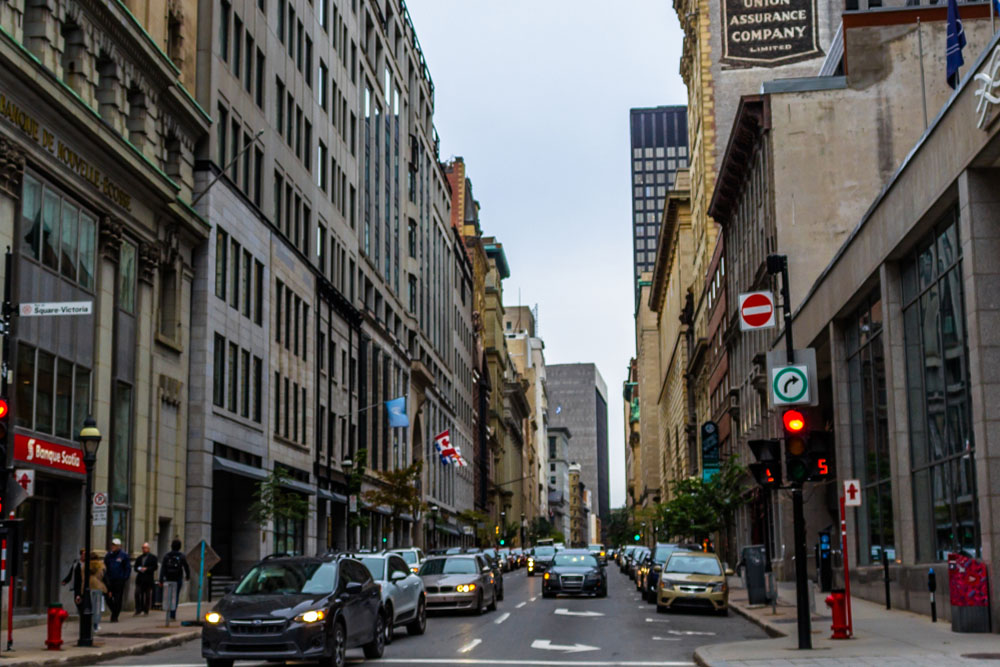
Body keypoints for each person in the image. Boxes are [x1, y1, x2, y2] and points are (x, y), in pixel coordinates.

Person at [159, 539, 190, 620]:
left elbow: (163, 568)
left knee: (167, 596)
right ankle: (173, 613)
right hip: (178, 578)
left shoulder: (167, 556)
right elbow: (186, 567)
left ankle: (168, 612)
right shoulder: (181, 556)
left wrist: (161, 580)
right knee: (175, 596)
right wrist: (188, 576)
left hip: (168, 578)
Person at [103, 538, 131, 622]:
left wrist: (124, 578)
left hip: (119, 580)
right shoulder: (108, 555)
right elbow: (105, 567)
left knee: (118, 598)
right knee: (107, 597)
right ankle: (114, 611)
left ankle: (115, 616)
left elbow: (127, 568)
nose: (113, 547)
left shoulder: (123, 555)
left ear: (119, 546)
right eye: (112, 545)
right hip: (109, 580)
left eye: (114, 545)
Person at [133, 542, 158, 615]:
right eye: (143, 548)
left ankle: (146, 609)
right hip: (140, 579)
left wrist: (147, 569)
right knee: (137, 593)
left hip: (148, 579)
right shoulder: (139, 558)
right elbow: (135, 567)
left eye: (145, 548)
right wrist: (139, 569)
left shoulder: (153, 558)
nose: (144, 549)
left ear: (148, 549)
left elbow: (155, 567)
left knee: (147, 595)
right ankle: (138, 608)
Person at [61, 548, 86, 615]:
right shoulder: (76, 563)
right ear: (81, 555)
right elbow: (71, 573)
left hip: (84, 585)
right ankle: (82, 613)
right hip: (77, 585)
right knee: (77, 600)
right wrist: (65, 581)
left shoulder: (88, 564)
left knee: (82, 600)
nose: (84, 556)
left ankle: (83, 613)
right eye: (83, 554)